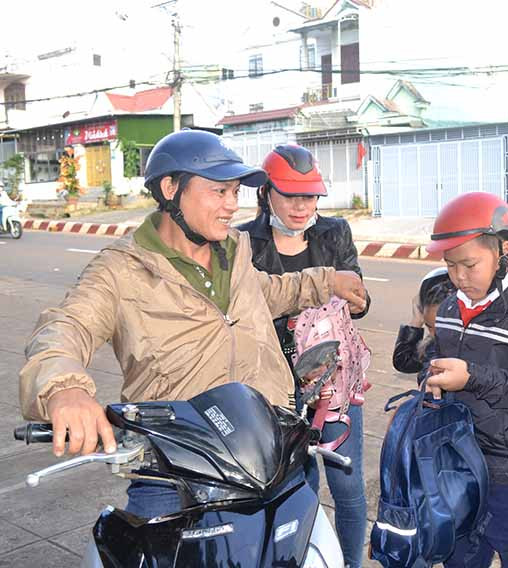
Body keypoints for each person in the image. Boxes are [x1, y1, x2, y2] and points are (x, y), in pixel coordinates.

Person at [18, 129, 367, 520]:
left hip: (266, 451)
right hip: (178, 471)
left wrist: (325, 281)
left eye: (235, 192)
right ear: (170, 188)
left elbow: (265, 292)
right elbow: (66, 327)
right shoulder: (121, 270)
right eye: (220, 192)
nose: (232, 204)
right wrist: (64, 389)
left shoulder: (233, 251)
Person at [237, 143, 369, 568]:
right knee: (296, 488)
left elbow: (360, 298)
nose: (301, 206)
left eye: (310, 196)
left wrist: (353, 300)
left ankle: (349, 562)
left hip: (334, 383)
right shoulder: (243, 243)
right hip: (275, 388)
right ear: (265, 194)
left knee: (348, 487)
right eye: (291, 194)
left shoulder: (334, 234)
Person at [420, 191, 508, 568]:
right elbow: (435, 359)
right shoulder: (451, 307)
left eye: (469, 264)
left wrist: (471, 377)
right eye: (450, 266)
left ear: (504, 250)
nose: (458, 277)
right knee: (461, 557)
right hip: (461, 464)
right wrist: (428, 381)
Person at [392, 267, 456, 373]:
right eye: (429, 327)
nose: (435, 334)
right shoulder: (432, 346)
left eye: (442, 328)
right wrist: (416, 321)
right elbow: (404, 362)